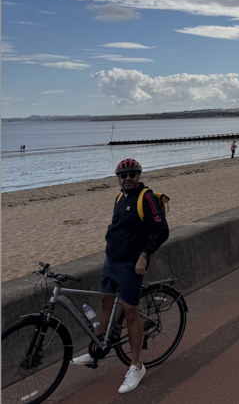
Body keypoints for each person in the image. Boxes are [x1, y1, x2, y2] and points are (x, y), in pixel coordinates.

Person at [72, 159, 169, 394]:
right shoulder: (120, 198)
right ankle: (98, 349)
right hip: (112, 261)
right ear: (118, 178)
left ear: (138, 175)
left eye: (132, 174)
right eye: (123, 174)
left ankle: (136, 366)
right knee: (105, 301)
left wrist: (144, 255)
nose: (128, 178)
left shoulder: (146, 197)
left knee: (130, 312)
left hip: (131, 265)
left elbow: (161, 229)